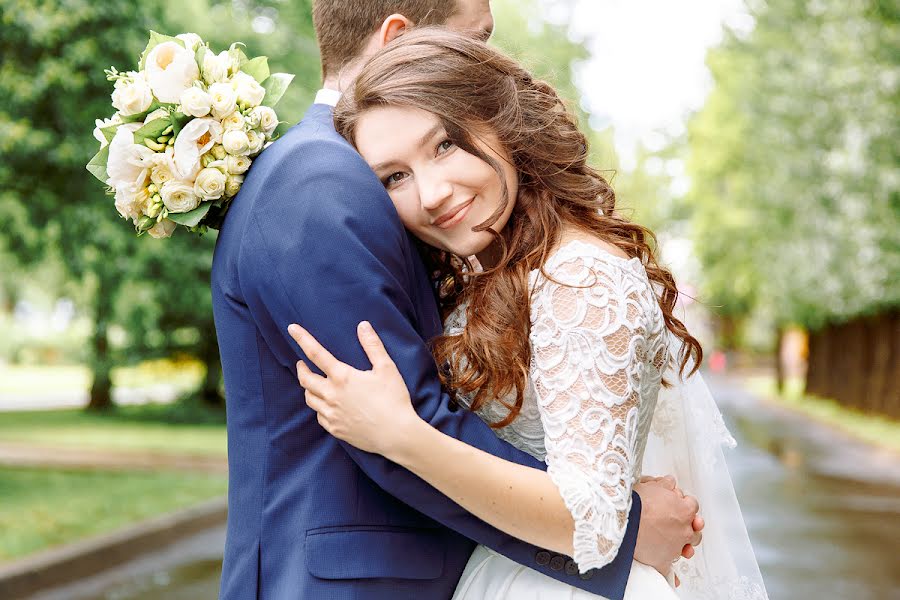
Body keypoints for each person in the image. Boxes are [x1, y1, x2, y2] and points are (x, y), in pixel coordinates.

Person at [212, 1, 701, 599]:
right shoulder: (326, 179)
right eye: (395, 176)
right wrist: (627, 529)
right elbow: (405, 415)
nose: (432, 193)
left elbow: (580, 507)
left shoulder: (577, 276)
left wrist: (615, 527)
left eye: (444, 145)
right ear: (396, 41)